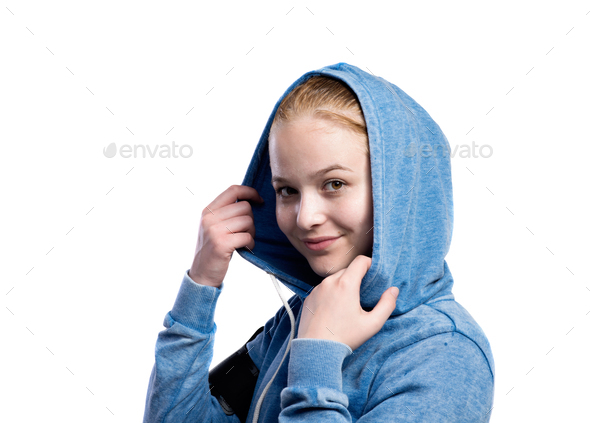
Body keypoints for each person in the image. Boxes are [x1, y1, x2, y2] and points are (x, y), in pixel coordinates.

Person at [142, 62, 495, 422]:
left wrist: (317, 358)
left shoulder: (445, 354)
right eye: (287, 190)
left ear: (397, 192)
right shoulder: (304, 314)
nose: (305, 217)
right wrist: (200, 287)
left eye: (334, 184)